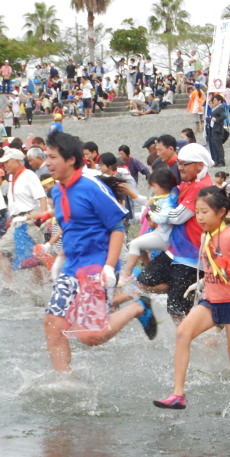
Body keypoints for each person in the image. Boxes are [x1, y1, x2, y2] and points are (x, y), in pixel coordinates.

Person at [153, 186, 230, 420]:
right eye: (197, 212)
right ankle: (178, 394)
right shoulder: (205, 236)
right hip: (210, 302)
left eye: (204, 212)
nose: (199, 217)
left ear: (221, 212)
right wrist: (203, 285)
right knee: (183, 333)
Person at [42, 132, 157, 372]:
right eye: (46, 157)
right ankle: (65, 383)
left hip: (97, 267)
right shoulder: (57, 192)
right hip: (72, 268)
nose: (47, 163)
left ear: (71, 159)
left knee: (90, 336)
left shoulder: (91, 186)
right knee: (53, 324)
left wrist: (109, 267)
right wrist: (59, 261)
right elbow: (70, 228)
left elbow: (116, 228)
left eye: (52, 157)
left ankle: (139, 307)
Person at [138, 143, 214, 323]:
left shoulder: (201, 187)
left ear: (199, 166)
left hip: (192, 256)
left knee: (177, 311)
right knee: (144, 281)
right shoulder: (190, 183)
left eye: (184, 164)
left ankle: (187, 343)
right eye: (179, 163)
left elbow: (178, 216)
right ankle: (179, 291)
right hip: (175, 251)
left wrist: (156, 214)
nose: (179, 167)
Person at [0, 148, 48, 290]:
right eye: (3, 163)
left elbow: (41, 197)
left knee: (31, 258)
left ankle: (41, 287)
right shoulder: (12, 177)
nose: (5, 166)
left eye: (7, 162)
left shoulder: (28, 175)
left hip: (29, 219)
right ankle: (10, 286)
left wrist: (42, 218)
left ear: (17, 161)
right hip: (17, 221)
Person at [117, 167, 178, 287]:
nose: (153, 190)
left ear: (163, 185)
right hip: (160, 233)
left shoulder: (169, 200)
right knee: (137, 245)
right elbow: (148, 202)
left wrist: (151, 212)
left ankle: (127, 274)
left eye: (154, 187)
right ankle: (149, 269)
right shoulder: (163, 197)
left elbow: (163, 217)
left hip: (165, 236)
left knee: (135, 244)